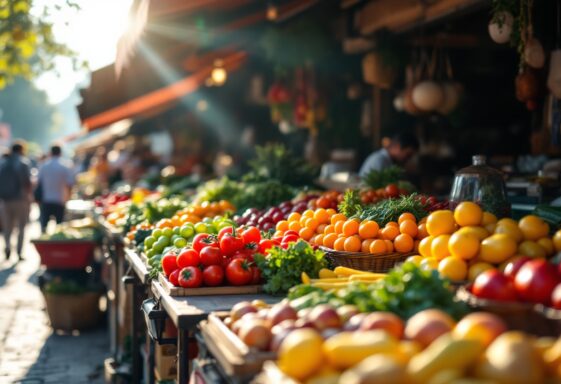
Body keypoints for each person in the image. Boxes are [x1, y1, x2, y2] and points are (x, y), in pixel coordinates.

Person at [0, 142, 32, 260]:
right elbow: (27, 183)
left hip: (5, 200)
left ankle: (7, 247)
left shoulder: (2, 162)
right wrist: (29, 198)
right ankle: (19, 251)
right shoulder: (23, 163)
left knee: (7, 227)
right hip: (20, 199)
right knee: (21, 227)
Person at [37, 145, 75, 233]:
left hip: (46, 199)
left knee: (44, 228)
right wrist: (68, 197)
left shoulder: (44, 165)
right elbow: (70, 184)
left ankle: (45, 244)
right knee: (60, 228)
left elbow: (39, 182)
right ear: (60, 153)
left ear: (50, 152)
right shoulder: (65, 166)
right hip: (60, 200)